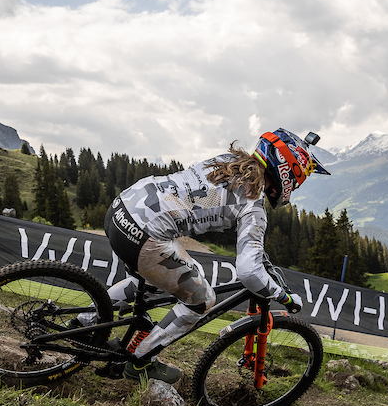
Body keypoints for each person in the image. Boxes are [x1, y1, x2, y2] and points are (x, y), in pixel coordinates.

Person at [101, 128, 330, 383]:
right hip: (145, 235)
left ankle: (84, 322)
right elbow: (249, 272)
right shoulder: (253, 204)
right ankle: (141, 361)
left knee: (166, 275)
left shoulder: (227, 161)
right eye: (298, 180)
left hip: (122, 208)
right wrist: (283, 297)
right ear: (287, 173)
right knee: (202, 299)